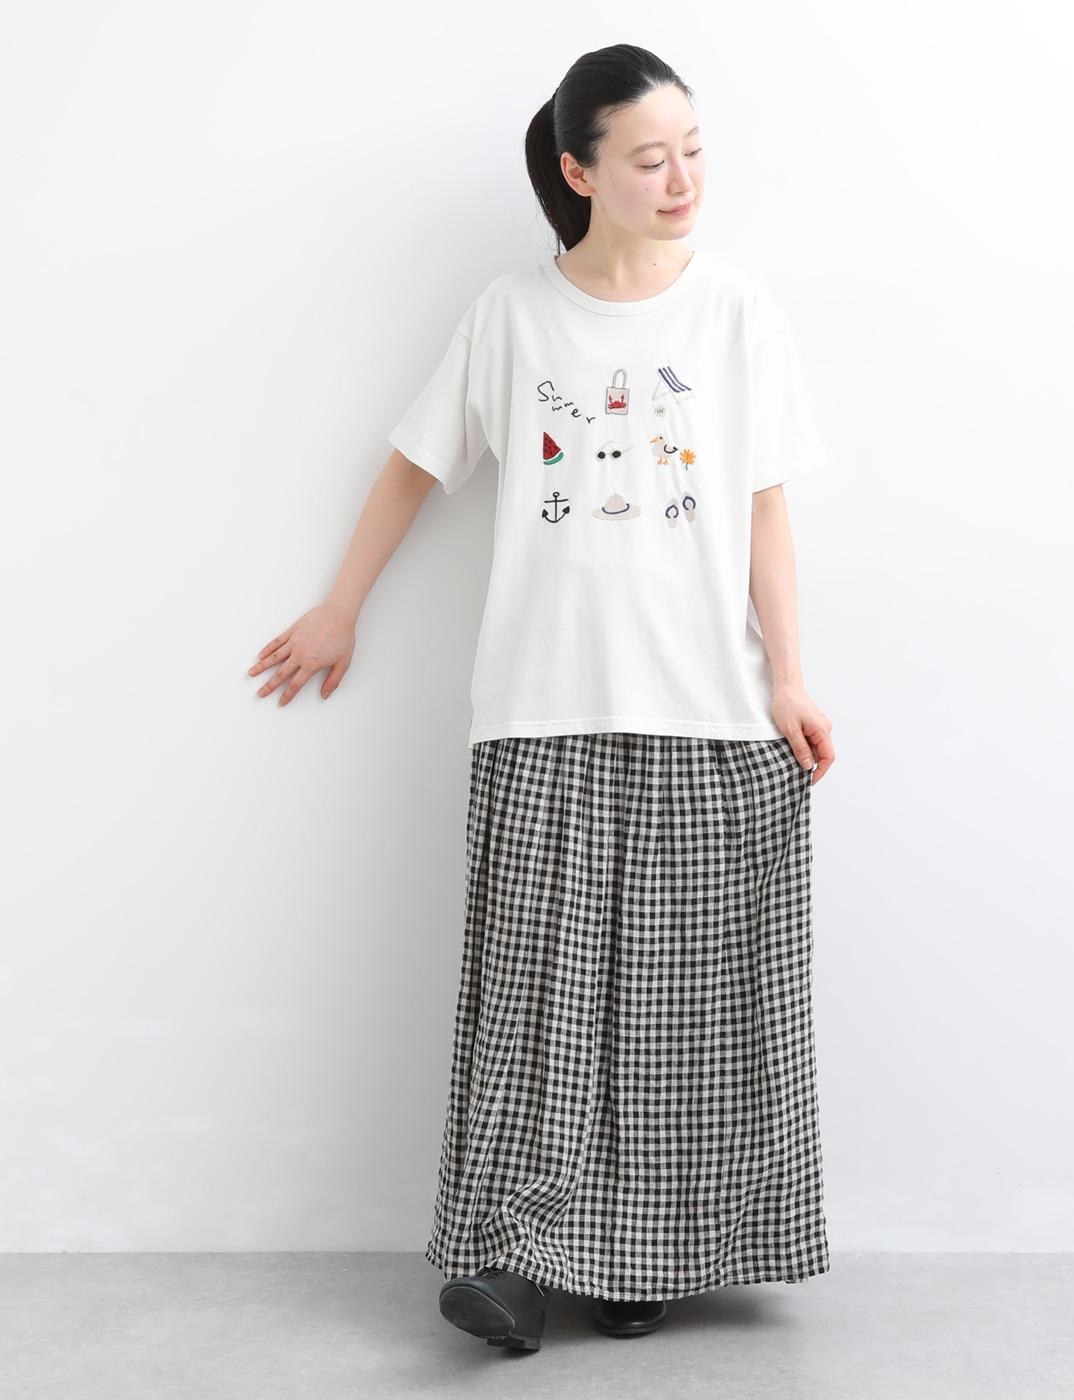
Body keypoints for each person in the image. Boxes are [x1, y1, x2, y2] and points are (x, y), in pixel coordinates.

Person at [249, 43, 836, 1354]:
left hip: (707, 714)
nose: (682, 179)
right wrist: (342, 603)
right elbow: (414, 463)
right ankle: (511, 1262)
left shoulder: (736, 312)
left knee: (681, 1015)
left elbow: (765, 510)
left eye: (693, 151)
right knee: (533, 1011)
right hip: (540, 711)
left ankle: (645, 1258)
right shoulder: (511, 316)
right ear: (579, 172)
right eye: (649, 158)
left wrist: (790, 678)